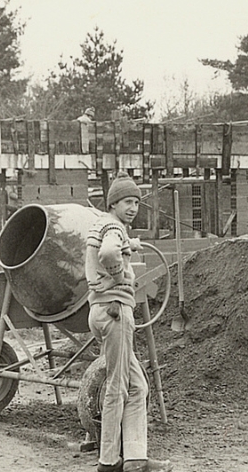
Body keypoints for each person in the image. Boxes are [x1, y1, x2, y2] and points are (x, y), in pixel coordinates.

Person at [85, 171, 173, 472]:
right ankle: (108, 461)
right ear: (113, 204)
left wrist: (129, 244)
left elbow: (112, 245)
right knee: (117, 387)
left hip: (100, 311)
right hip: (114, 311)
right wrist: (120, 275)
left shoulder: (103, 224)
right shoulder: (113, 227)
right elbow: (109, 251)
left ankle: (135, 458)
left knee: (138, 387)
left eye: (136, 201)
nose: (133, 207)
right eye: (126, 201)